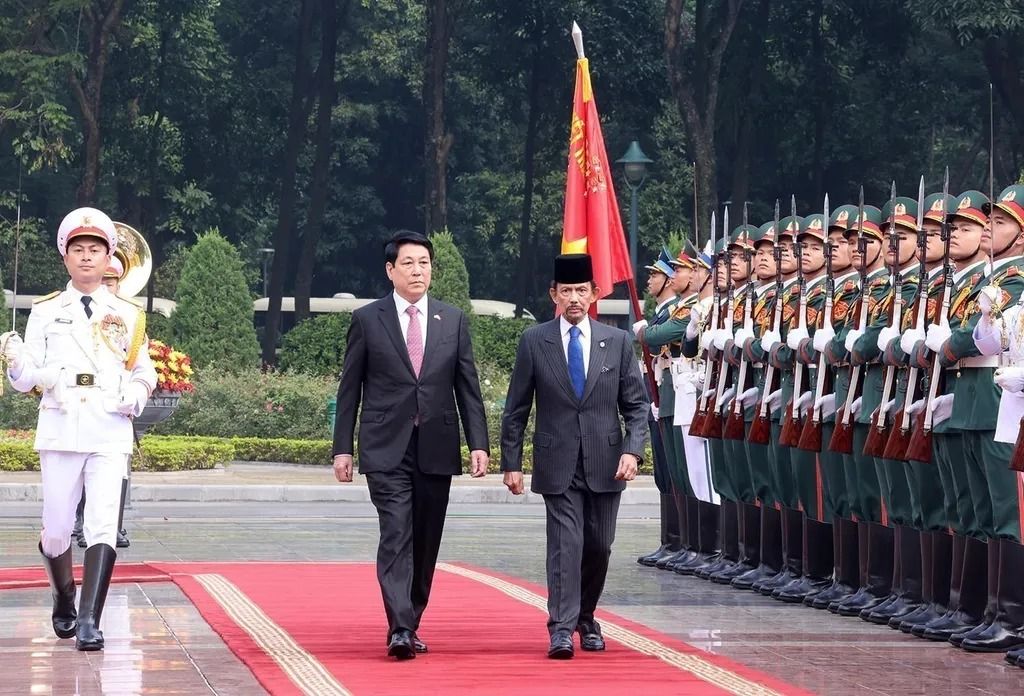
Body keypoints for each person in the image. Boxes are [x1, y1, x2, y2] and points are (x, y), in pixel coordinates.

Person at [0, 207, 157, 651]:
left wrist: (138, 394)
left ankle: (90, 620)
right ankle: (64, 596)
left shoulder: (126, 312)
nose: (87, 258)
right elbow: (28, 377)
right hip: (62, 425)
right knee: (55, 528)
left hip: (109, 425)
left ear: (110, 258)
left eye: (95, 250)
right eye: (78, 250)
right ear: (65, 257)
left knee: (103, 523)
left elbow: (144, 368)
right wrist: (14, 362)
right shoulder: (47, 309)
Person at [331, 229, 489, 660]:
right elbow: (350, 390)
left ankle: (411, 617)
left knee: (426, 539)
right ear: (390, 270)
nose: (418, 270)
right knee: (396, 532)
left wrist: (479, 443)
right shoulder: (368, 319)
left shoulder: (451, 320)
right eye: (408, 263)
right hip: (386, 447)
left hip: (436, 445)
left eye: (424, 263)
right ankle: (399, 626)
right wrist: (342, 447)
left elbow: (467, 388)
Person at [500, 253, 648, 659]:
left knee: (599, 545)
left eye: (581, 291)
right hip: (557, 461)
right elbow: (516, 408)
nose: (574, 299)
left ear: (595, 294)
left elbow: (636, 406)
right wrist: (510, 462)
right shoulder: (535, 340)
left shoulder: (616, 343)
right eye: (566, 291)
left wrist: (634, 451)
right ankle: (561, 629)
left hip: (607, 463)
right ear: (554, 294)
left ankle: (586, 616)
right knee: (566, 545)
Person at [73, 256, 132, 549]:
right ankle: (80, 520)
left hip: (114, 412)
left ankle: (111, 526)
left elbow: (135, 361)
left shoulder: (129, 315)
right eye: (104, 280)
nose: (107, 285)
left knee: (113, 474)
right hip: (79, 409)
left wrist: (135, 392)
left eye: (111, 281)